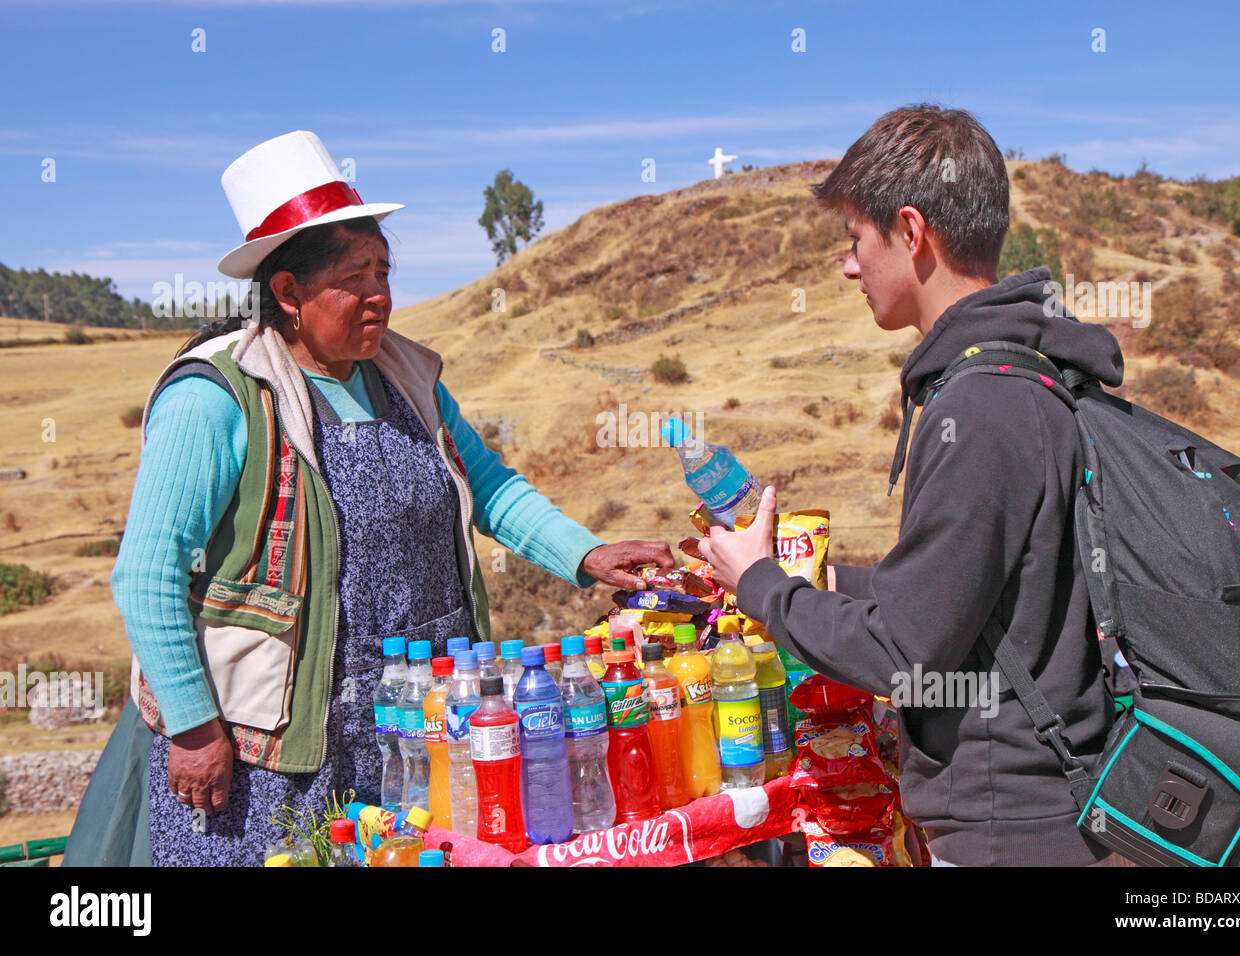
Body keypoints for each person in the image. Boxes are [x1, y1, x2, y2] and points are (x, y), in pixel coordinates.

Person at [71, 130, 672, 866]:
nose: (379, 295)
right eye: (354, 279)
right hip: (273, 755)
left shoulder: (407, 378)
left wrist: (589, 553)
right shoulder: (217, 397)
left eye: (384, 272)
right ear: (289, 292)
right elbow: (146, 575)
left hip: (410, 734)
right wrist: (195, 729)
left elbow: (490, 488)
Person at [700, 105, 1127, 866]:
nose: (848, 265)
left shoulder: (983, 405)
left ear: (910, 230)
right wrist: (827, 578)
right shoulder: (1025, 374)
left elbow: (907, 653)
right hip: (1044, 813)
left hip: (1011, 832)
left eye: (855, 239)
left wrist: (763, 587)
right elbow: (974, 589)